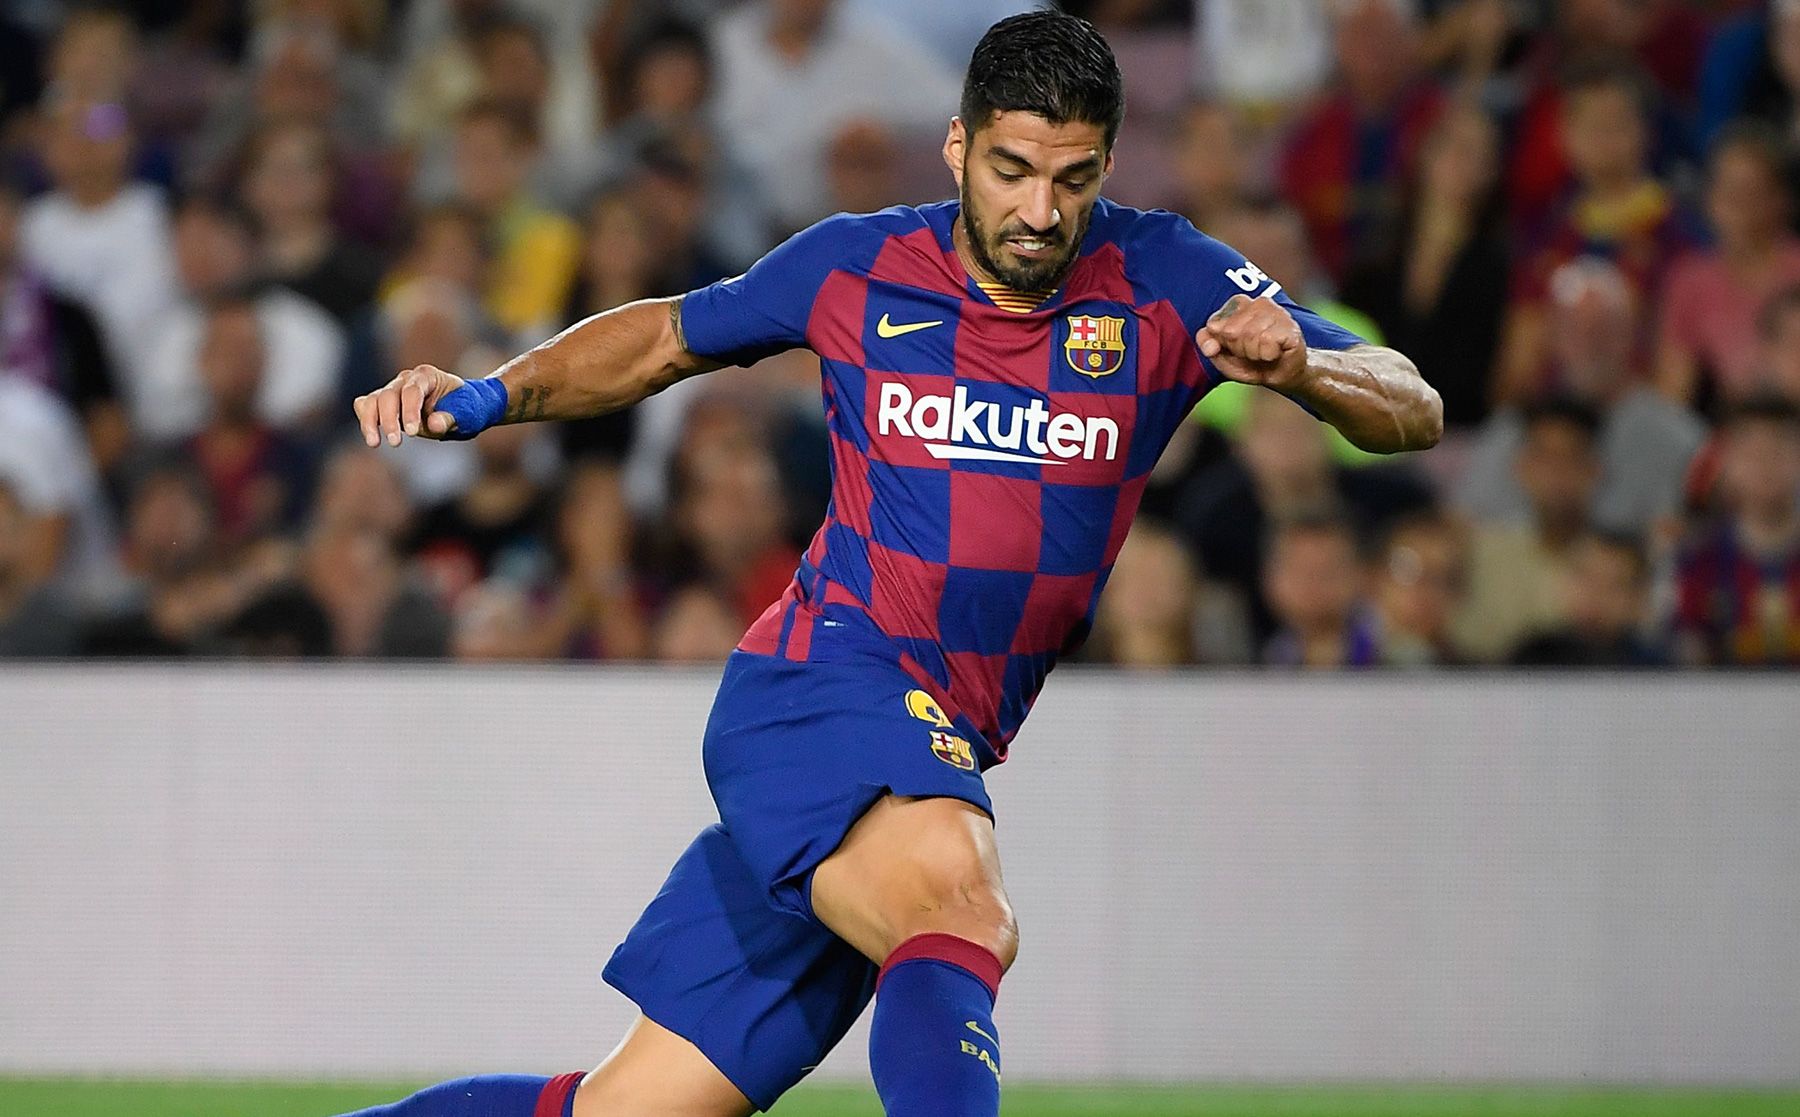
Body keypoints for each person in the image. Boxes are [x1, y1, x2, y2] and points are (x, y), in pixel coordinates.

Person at [344, 13, 1440, 1117]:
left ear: (1108, 163)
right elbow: (667, 337)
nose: (1039, 209)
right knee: (961, 906)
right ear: (959, 147)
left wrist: (1307, 367)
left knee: (623, 1114)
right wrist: (486, 396)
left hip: (929, 741)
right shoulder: (858, 265)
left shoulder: (1168, 275)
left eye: (1072, 178)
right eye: (1011, 170)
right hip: (822, 686)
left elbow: (1414, 404)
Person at [1671, 394, 1800, 666]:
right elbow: (1688, 663)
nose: (1766, 466)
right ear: (1728, 463)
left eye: (1779, 451)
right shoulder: (1698, 560)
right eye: (1752, 453)